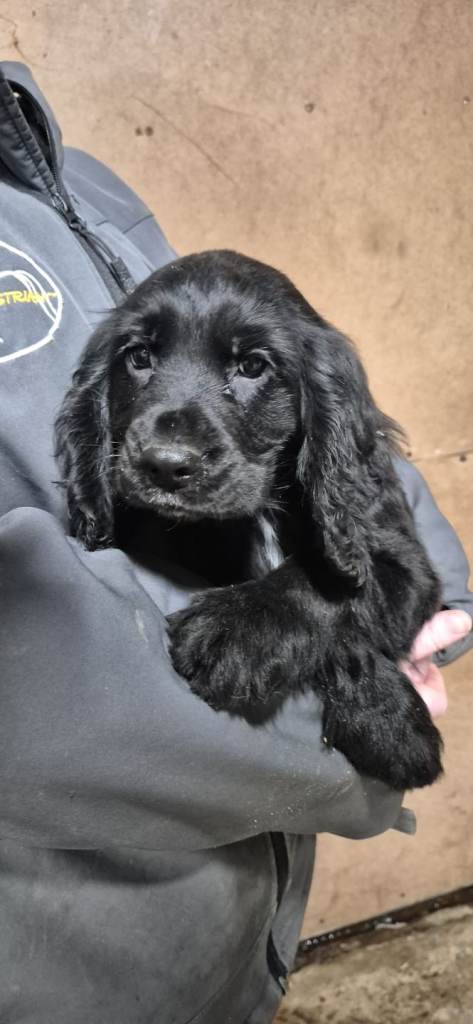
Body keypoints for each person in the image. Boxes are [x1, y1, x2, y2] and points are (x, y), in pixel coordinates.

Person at [0, 62, 471, 1024]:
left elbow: (376, 513)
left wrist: (332, 602)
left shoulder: (83, 178)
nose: (170, 433)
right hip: (59, 953)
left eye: (246, 368)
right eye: (143, 359)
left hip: (235, 934)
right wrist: (348, 724)